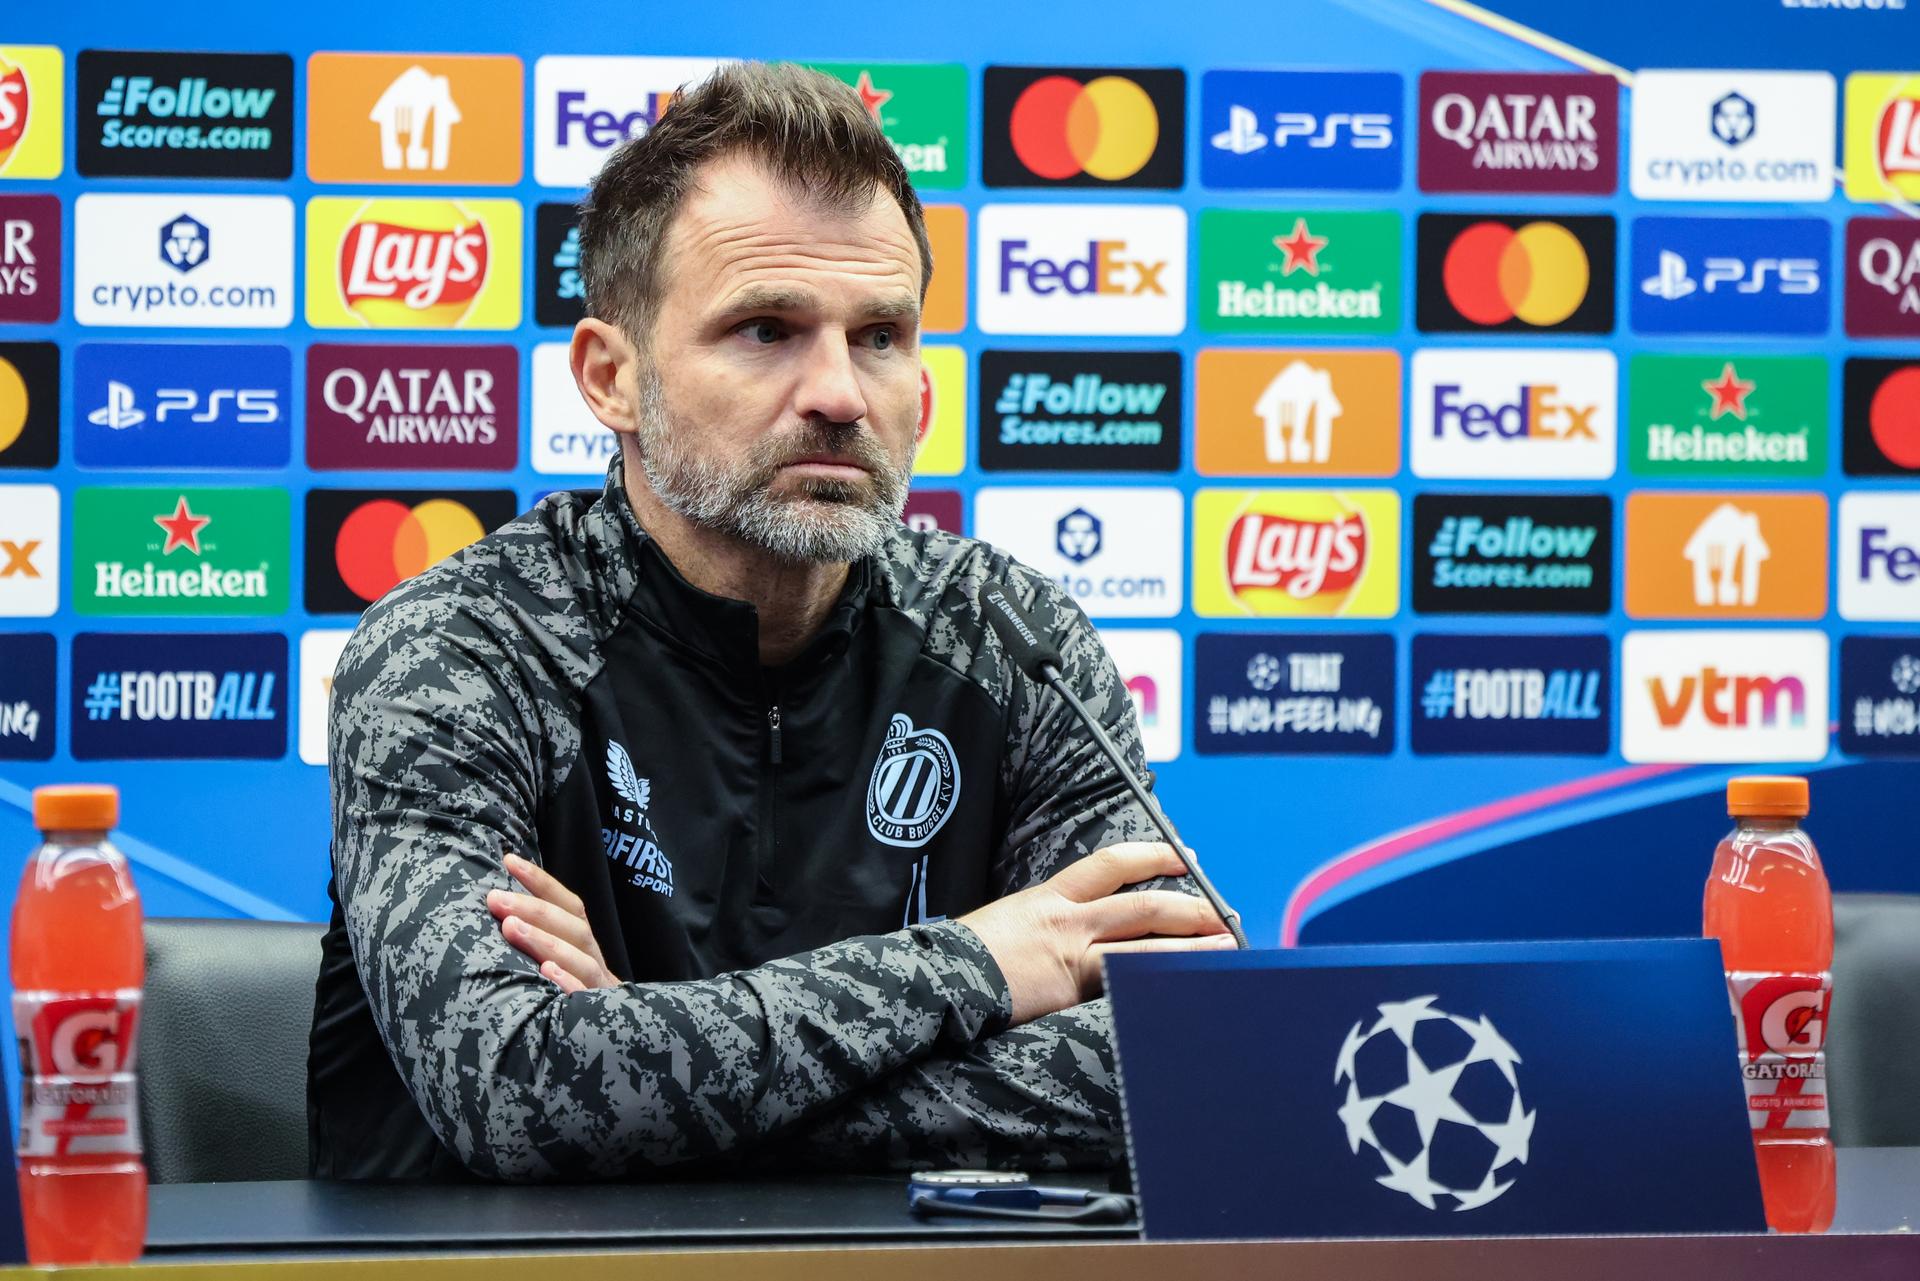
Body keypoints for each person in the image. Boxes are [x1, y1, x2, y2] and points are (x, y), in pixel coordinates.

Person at [307, 60, 1234, 1183]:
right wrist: (982, 965)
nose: (840, 393)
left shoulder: (1012, 639)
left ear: (926, 391)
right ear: (612, 376)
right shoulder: (459, 652)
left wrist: (652, 1071)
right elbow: (522, 1090)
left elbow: (1184, 1054)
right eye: (765, 330)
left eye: (881, 336)